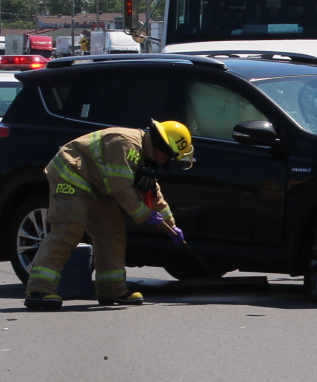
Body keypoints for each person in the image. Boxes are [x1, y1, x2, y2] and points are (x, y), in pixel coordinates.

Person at [24, 119, 195, 310]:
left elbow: (153, 194)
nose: (166, 163)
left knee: (112, 232)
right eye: (169, 158)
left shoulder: (143, 154)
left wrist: (170, 226)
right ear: (162, 148)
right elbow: (121, 189)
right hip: (71, 176)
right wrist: (145, 215)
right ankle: (39, 290)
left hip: (95, 185)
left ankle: (111, 290)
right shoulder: (126, 144)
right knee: (69, 228)